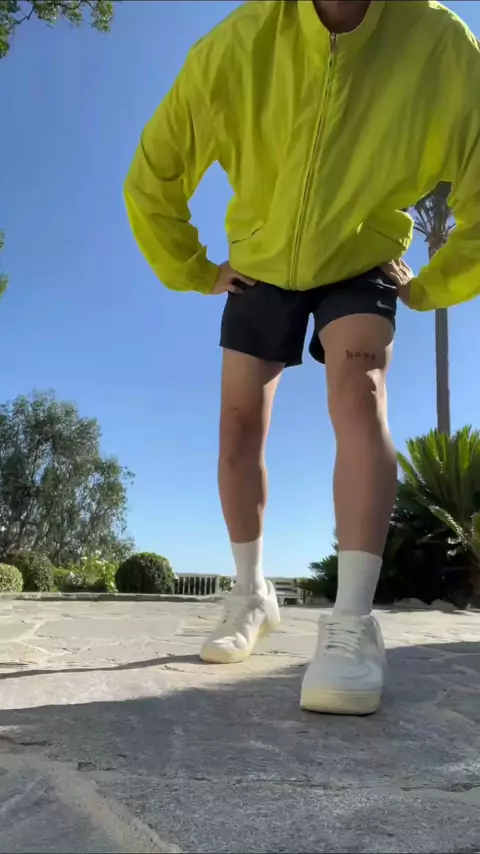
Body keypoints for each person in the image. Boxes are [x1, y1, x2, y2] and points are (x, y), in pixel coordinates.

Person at [125, 0, 480, 715]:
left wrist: (434, 285)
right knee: (237, 430)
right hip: (260, 267)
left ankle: (351, 622)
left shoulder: (440, 43)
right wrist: (194, 267)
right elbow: (154, 170)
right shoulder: (237, 42)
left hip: (360, 259)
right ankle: (252, 592)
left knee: (359, 393)